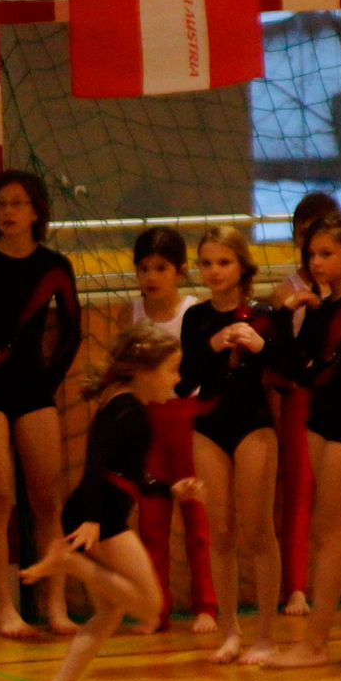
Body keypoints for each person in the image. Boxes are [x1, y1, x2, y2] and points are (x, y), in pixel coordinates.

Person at [21, 325, 196, 681]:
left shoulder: (124, 404)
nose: (177, 378)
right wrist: (94, 521)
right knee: (149, 607)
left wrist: (169, 489)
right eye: (171, 370)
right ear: (143, 371)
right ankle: (72, 563)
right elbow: (96, 461)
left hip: (95, 513)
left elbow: (128, 472)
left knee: (109, 612)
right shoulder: (129, 410)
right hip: (100, 519)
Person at [0, 169, 82, 639]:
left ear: (35, 211)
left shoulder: (53, 265)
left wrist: (46, 382)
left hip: (33, 388)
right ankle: (4, 608)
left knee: (47, 499)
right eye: (0, 204)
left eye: (17, 203)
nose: (8, 212)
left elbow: (71, 331)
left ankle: (56, 605)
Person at [263, 213, 341, 669]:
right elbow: (292, 367)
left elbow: (333, 367)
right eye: (311, 254)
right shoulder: (321, 307)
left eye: (326, 253)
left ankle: (314, 644)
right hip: (321, 421)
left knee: (325, 530)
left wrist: (305, 364)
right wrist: (285, 314)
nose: (315, 262)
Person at [180, 225, 282, 664]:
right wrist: (211, 344)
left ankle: (266, 634)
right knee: (219, 532)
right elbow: (184, 380)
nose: (215, 271)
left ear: (242, 266)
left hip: (253, 425)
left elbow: (291, 369)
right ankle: (230, 630)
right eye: (206, 263)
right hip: (208, 427)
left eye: (224, 262)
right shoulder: (195, 318)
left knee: (257, 530)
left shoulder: (263, 314)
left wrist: (261, 345)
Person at [125, 227, 214, 636]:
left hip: (188, 418)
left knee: (198, 517)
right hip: (148, 423)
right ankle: (154, 609)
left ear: (179, 270)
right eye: (143, 268)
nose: (151, 277)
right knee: (151, 521)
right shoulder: (132, 313)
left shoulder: (194, 312)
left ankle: (206, 605)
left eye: (160, 268)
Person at [271, 192, 340, 615]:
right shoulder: (287, 290)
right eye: (304, 234)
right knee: (298, 491)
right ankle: (295, 587)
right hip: (300, 394)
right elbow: (276, 358)